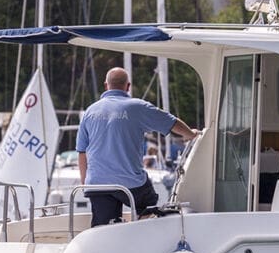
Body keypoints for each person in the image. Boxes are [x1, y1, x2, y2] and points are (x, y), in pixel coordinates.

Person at [78, 67, 200, 226]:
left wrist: (86, 184)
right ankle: (140, 229)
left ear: (106, 85)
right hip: (130, 183)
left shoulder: (90, 111)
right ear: (128, 86)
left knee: (102, 225)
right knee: (148, 205)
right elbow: (171, 122)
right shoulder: (138, 107)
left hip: (97, 184)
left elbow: (82, 152)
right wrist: (191, 134)